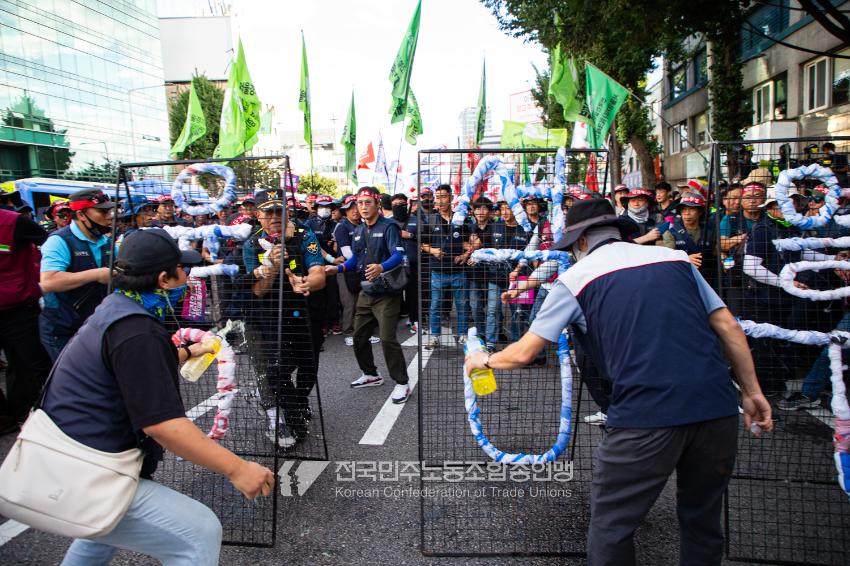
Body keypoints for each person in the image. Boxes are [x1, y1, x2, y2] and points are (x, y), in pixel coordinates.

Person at [465, 198, 773, 566]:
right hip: (717, 408)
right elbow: (728, 326)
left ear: (581, 241)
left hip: (645, 416)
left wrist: (483, 359)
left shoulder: (576, 278)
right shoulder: (675, 260)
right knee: (703, 519)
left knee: (612, 526)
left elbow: (523, 353)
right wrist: (752, 392)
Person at [43, 228, 274, 565]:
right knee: (198, 531)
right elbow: (163, 425)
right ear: (164, 279)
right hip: (89, 469)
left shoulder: (117, 307)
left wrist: (188, 351)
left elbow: (131, 363)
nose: (188, 277)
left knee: (101, 534)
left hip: (74, 459)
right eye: (182, 269)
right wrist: (237, 468)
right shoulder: (137, 330)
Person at [242, 189, 326, 448]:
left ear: (287, 212)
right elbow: (257, 290)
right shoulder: (252, 243)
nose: (275, 217)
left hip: (306, 311)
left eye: (279, 211)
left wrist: (306, 283)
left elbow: (319, 273)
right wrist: (272, 267)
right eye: (268, 212)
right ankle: (293, 416)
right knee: (277, 370)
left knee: (308, 366)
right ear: (258, 216)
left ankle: (300, 401)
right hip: (272, 315)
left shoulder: (304, 234)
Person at [326, 186, 411, 403]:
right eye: (360, 203)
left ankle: (402, 383)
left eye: (368, 203)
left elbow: (398, 255)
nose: (363, 207)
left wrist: (381, 267)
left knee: (387, 339)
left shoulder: (389, 226)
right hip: (366, 292)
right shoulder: (358, 230)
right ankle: (371, 374)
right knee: (358, 337)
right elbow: (355, 258)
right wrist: (339, 268)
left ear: (377, 204)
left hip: (387, 293)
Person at [39, 189, 115, 361]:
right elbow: (48, 282)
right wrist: (96, 274)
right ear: (81, 215)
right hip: (62, 328)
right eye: (102, 211)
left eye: (109, 211)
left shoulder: (106, 242)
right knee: (71, 375)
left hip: (94, 324)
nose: (109, 216)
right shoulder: (58, 241)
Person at [0, 207, 53, 435]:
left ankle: (37, 412)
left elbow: (50, 243)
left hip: (18, 308)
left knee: (30, 363)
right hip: (15, 302)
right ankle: (6, 417)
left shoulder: (14, 222)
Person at [421, 184, 473, 349]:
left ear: (451, 197)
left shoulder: (461, 219)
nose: (440, 201)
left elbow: (469, 243)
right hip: (438, 271)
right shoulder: (430, 220)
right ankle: (435, 337)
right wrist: (433, 250)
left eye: (443, 196)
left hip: (459, 271)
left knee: (462, 306)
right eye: (437, 197)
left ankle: (463, 335)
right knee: (435, 306)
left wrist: (466, 255)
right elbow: (423, 244)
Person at [305, 195, 341, 335]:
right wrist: (331, 258)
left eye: (327, 207)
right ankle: (322, 323)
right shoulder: (309, 224)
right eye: (321, 207)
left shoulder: (336, 225)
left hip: (331, 265)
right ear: (316, 208)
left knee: (332, 292)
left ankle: (334, 321)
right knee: (317, 294)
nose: (324, 209)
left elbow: (339, 245)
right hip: (314, 263)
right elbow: (313, 245)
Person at [334, 194, 361, 345]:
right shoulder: (342, 227)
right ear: (345, 211)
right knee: (349, 301)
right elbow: (346, 252)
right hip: (345, 268)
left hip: (360, 268)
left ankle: (360, 331)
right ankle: (348, 332)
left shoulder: (362, 225)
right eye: (351, 208)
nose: (355, 211)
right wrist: (363, 262)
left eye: (356, 207)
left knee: (361, 301)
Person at [392, 193, 420, 333]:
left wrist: (410, 235)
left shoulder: (416, 220)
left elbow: (426, 237)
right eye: (395, 205)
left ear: (407, 205)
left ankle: (414, 319)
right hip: (394, 264)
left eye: (401, 204)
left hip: (413, 262)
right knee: (394, 293)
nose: (398, 207)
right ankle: (392, 321)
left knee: (413, 293)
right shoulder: (388, 222)